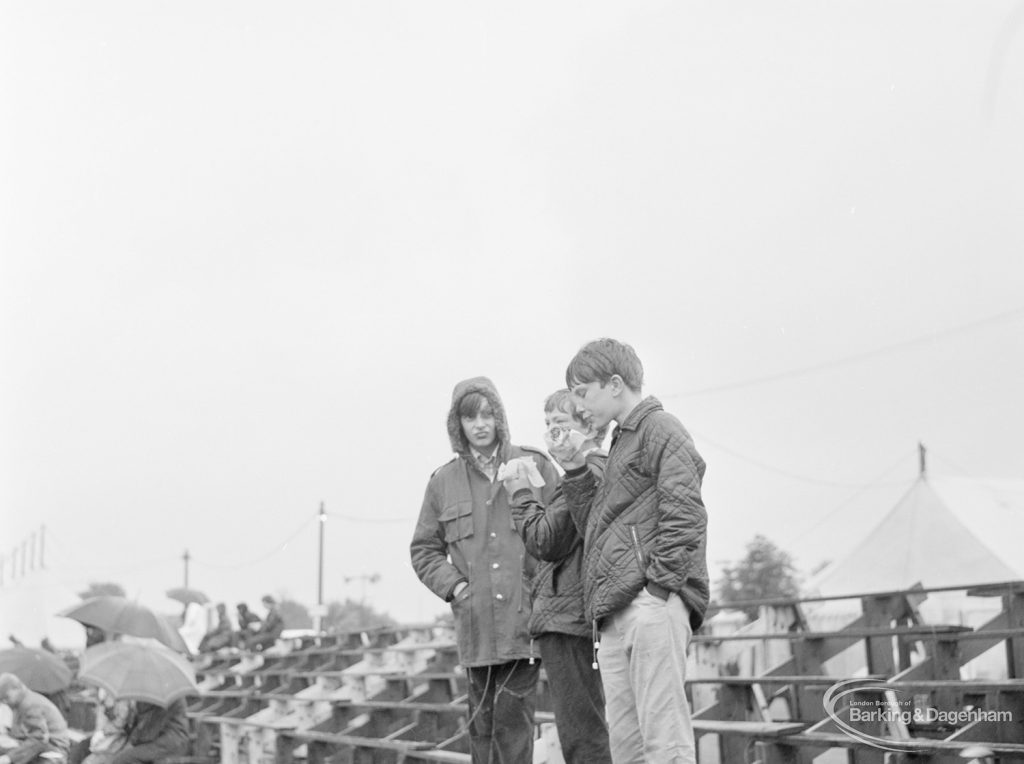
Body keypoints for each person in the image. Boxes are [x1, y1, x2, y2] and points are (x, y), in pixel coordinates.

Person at [557, 339, 709, 764]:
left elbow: (687, 513)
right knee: (628, 749)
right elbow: (596, 528)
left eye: (583, 393)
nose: (579, 407)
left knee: (665, 742)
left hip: (648, 604)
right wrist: (574, 469)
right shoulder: (621, 441)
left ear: (616, 384)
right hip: (615, 612)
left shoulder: (660, 427)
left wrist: (658, 591)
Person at [410, 376, 558, 764]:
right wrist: (456, 588)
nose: (480, 425)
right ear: (456, 424)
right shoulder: (443, 482)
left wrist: (541, 588)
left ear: (499, 418)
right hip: (475, 629)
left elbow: (563, 530)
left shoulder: (533, 465)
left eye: (487, 415)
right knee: (482, 728)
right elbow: (424, 550)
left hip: (523, 623)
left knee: (513, 723)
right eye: (470, 417)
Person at [500, 389, 612, 764]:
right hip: (570, 615)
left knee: (582, 733)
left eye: (561, 424)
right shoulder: (592, 469)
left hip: (570, 617)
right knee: (584, 727)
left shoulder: (590, 471)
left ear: (589, 427)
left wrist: (519, 493)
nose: (552, 433)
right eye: (548, 424)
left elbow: (545, 539)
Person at [0, 673, 70, 764]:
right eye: (1, 700)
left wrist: (9, 758)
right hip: (42, 747)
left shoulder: (31, 705)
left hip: (54, 751)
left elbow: (38, 740)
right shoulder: (21, 703)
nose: (4, 702)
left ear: (17, 688)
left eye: (6, 697)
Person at [106, 700, 188, 764]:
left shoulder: (165, 698)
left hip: (168, 743)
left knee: (122, 759)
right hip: (164, 740)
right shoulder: (151, 697)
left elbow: (150, 732)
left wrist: (133, 739)